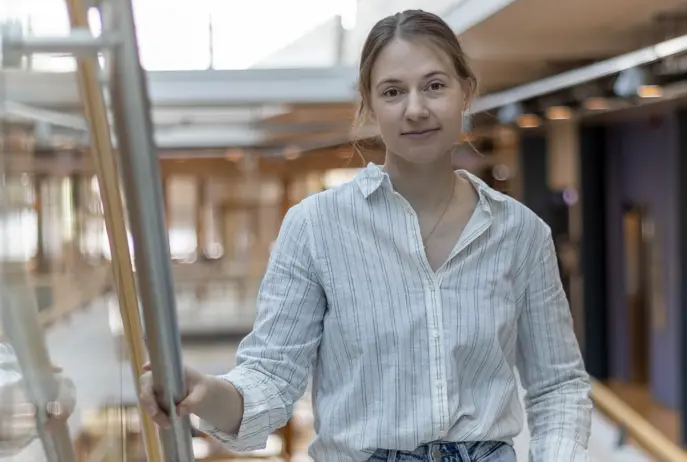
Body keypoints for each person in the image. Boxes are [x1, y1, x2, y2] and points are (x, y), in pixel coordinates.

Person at [139, 9, 592, 462]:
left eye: (435, 86)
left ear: (466, 92)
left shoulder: (520, 232)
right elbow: (270, 379)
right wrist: (204, 392)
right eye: (393, 92)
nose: (416, 109)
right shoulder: (316, 227)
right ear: (370, 106)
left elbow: (558, 385)